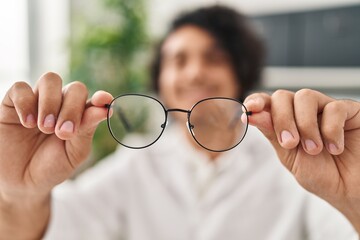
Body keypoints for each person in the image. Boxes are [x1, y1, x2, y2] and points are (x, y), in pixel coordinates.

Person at [0, 5, 360, 240]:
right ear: (162, 79)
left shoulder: (296, 161)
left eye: (213, 58)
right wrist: (20, 194)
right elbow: (54, 229)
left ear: (240, 71)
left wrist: (355, 197)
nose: (194, 72)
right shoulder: (135, 165)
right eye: (178, 60)